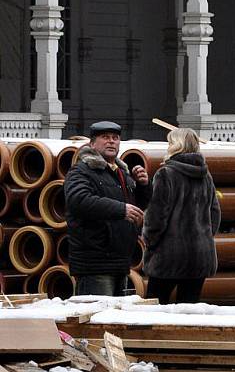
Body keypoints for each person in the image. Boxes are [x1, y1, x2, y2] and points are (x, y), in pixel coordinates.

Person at [64, 121, 151, 296]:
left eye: (115, 138)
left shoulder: (122, 174)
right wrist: (121, 209)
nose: (111, 141)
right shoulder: (81, 171)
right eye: (105, 137)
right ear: (92, 144)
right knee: (96, 317)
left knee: (114, 320)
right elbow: (79, 200)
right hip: (95, 265)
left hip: (120, 263)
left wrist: (143, 186)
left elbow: (136, 207)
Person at [142, 128, 221, 304]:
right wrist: (204, 236)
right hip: (200, 256)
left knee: (153, 309)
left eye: (170, 142)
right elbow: (215, 213)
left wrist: (150, 241)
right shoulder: (205, 175)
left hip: (168, 256)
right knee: (189, 311)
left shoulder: (166, 174)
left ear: (176, 145)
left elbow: (156, 217)